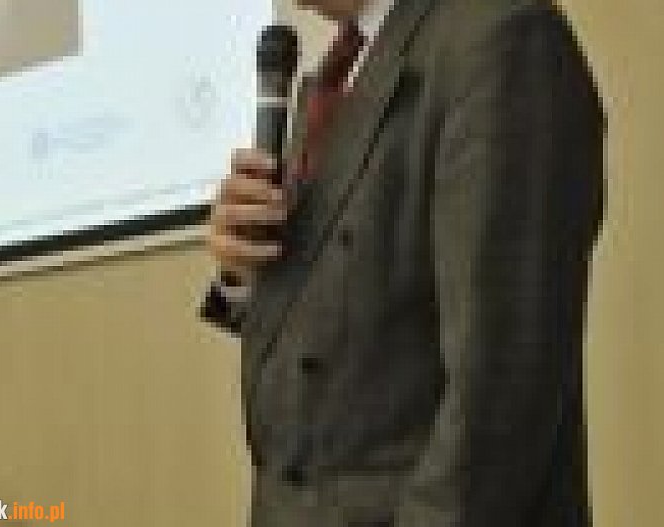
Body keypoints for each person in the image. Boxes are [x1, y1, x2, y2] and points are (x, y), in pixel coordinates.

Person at [202, 0, 605, 525]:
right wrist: (243, 274)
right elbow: (342, 324)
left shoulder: (501, 39)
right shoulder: (345, 69)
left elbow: (501, 388)